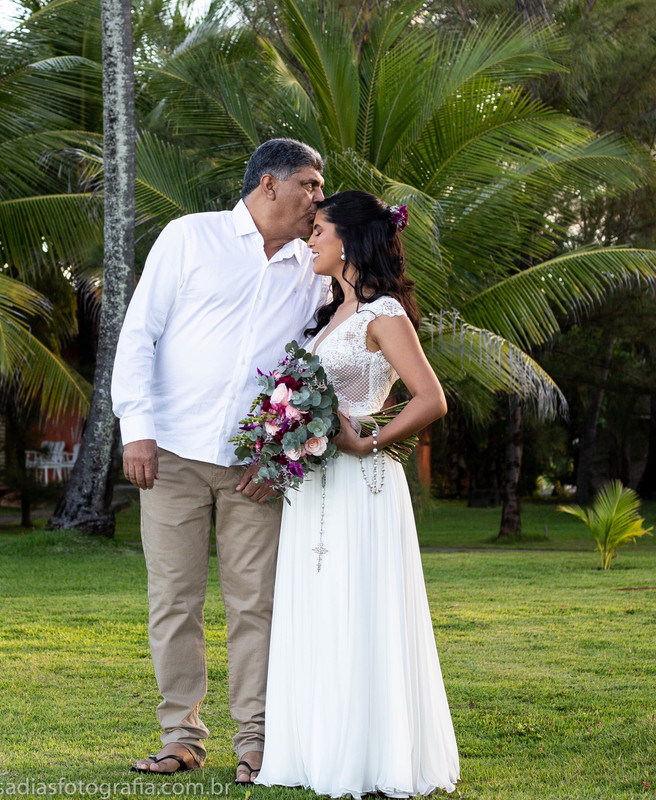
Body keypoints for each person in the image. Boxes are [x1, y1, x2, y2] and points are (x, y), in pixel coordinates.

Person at [112, 139, 329, 782]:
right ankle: (181, 737)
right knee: (173, 599)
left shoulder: (313, 268)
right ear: (269, 184)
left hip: (255, 470)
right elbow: (140, 333)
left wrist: (281, 454)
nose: (318, 198)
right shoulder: (189, 237)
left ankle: (256, 741)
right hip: (170, 455)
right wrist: (137, 430)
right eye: (310, 184)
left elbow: (318, 367)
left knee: (256, 604)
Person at [255, 190, 460, 798]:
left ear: (348, 239)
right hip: (314, 484)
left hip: (361, 481)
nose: (310, 239)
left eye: (318, 230)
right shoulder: (330, 315)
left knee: (357, 604)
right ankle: (316, 753)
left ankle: (370, 760)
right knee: (318, 605)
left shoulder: (383, 314)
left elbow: (431, 398)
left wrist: (369, 441)